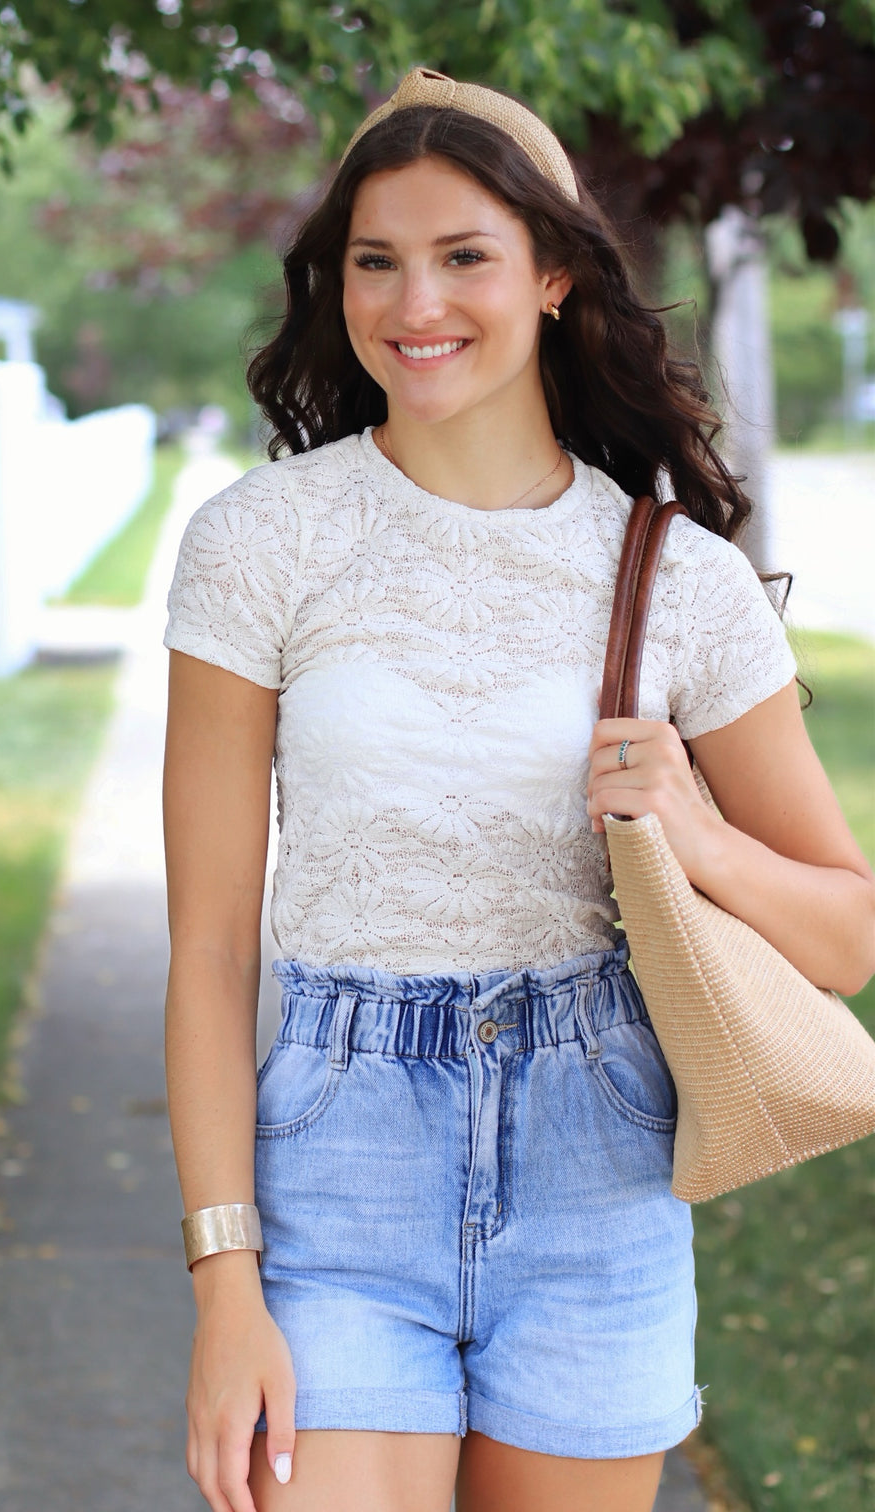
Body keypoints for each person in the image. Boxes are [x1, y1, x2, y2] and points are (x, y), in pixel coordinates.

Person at [161, 69, 875, 1512]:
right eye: (376, 261)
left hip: (594, 1168)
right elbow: (213, 953)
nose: (413, 302)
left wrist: (692, 831)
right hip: (338, 1167)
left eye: (464, 255)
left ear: (554, 274)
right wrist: (224, 1283)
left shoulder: (682, 580)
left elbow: (848, 941)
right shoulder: (260, 545)